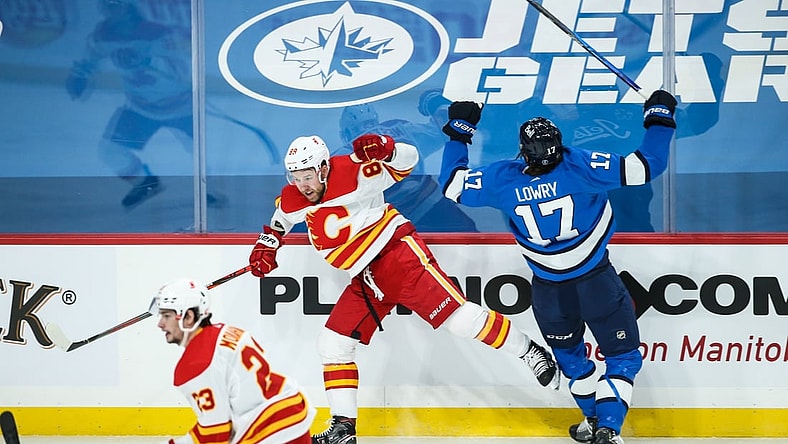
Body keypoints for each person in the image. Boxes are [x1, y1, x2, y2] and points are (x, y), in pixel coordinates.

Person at [247, 134, 560, 444]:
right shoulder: (296, 195)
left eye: (308, 176)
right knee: (333, 344)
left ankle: (530, 352)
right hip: (366, 277)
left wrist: (389, 149)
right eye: (296, 177)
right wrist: (269, 243)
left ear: (324, 167)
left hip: (397, 257)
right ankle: (344, 429)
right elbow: (282, 218)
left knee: (461, 321)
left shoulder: (355, 170)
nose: (303, 185)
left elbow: (407, 163)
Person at [437, 90, 677, 444]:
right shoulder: (580, 167)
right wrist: (660, 115)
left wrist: (460, 129)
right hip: (597, 283)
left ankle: (592, 421)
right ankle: (608, 429)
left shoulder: (503, 180)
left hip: (549, 293)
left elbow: (452, 186)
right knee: (623, 358)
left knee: (573, 362)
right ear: (559, 145)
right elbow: (646, 166)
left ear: (523, 152)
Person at [154, 278, 316, 444]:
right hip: (290, 408)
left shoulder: (195, 363)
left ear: (188, 317)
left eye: (167, 316)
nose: (160, 324)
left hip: (271, 431)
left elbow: (215, 434)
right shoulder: (225, 331)